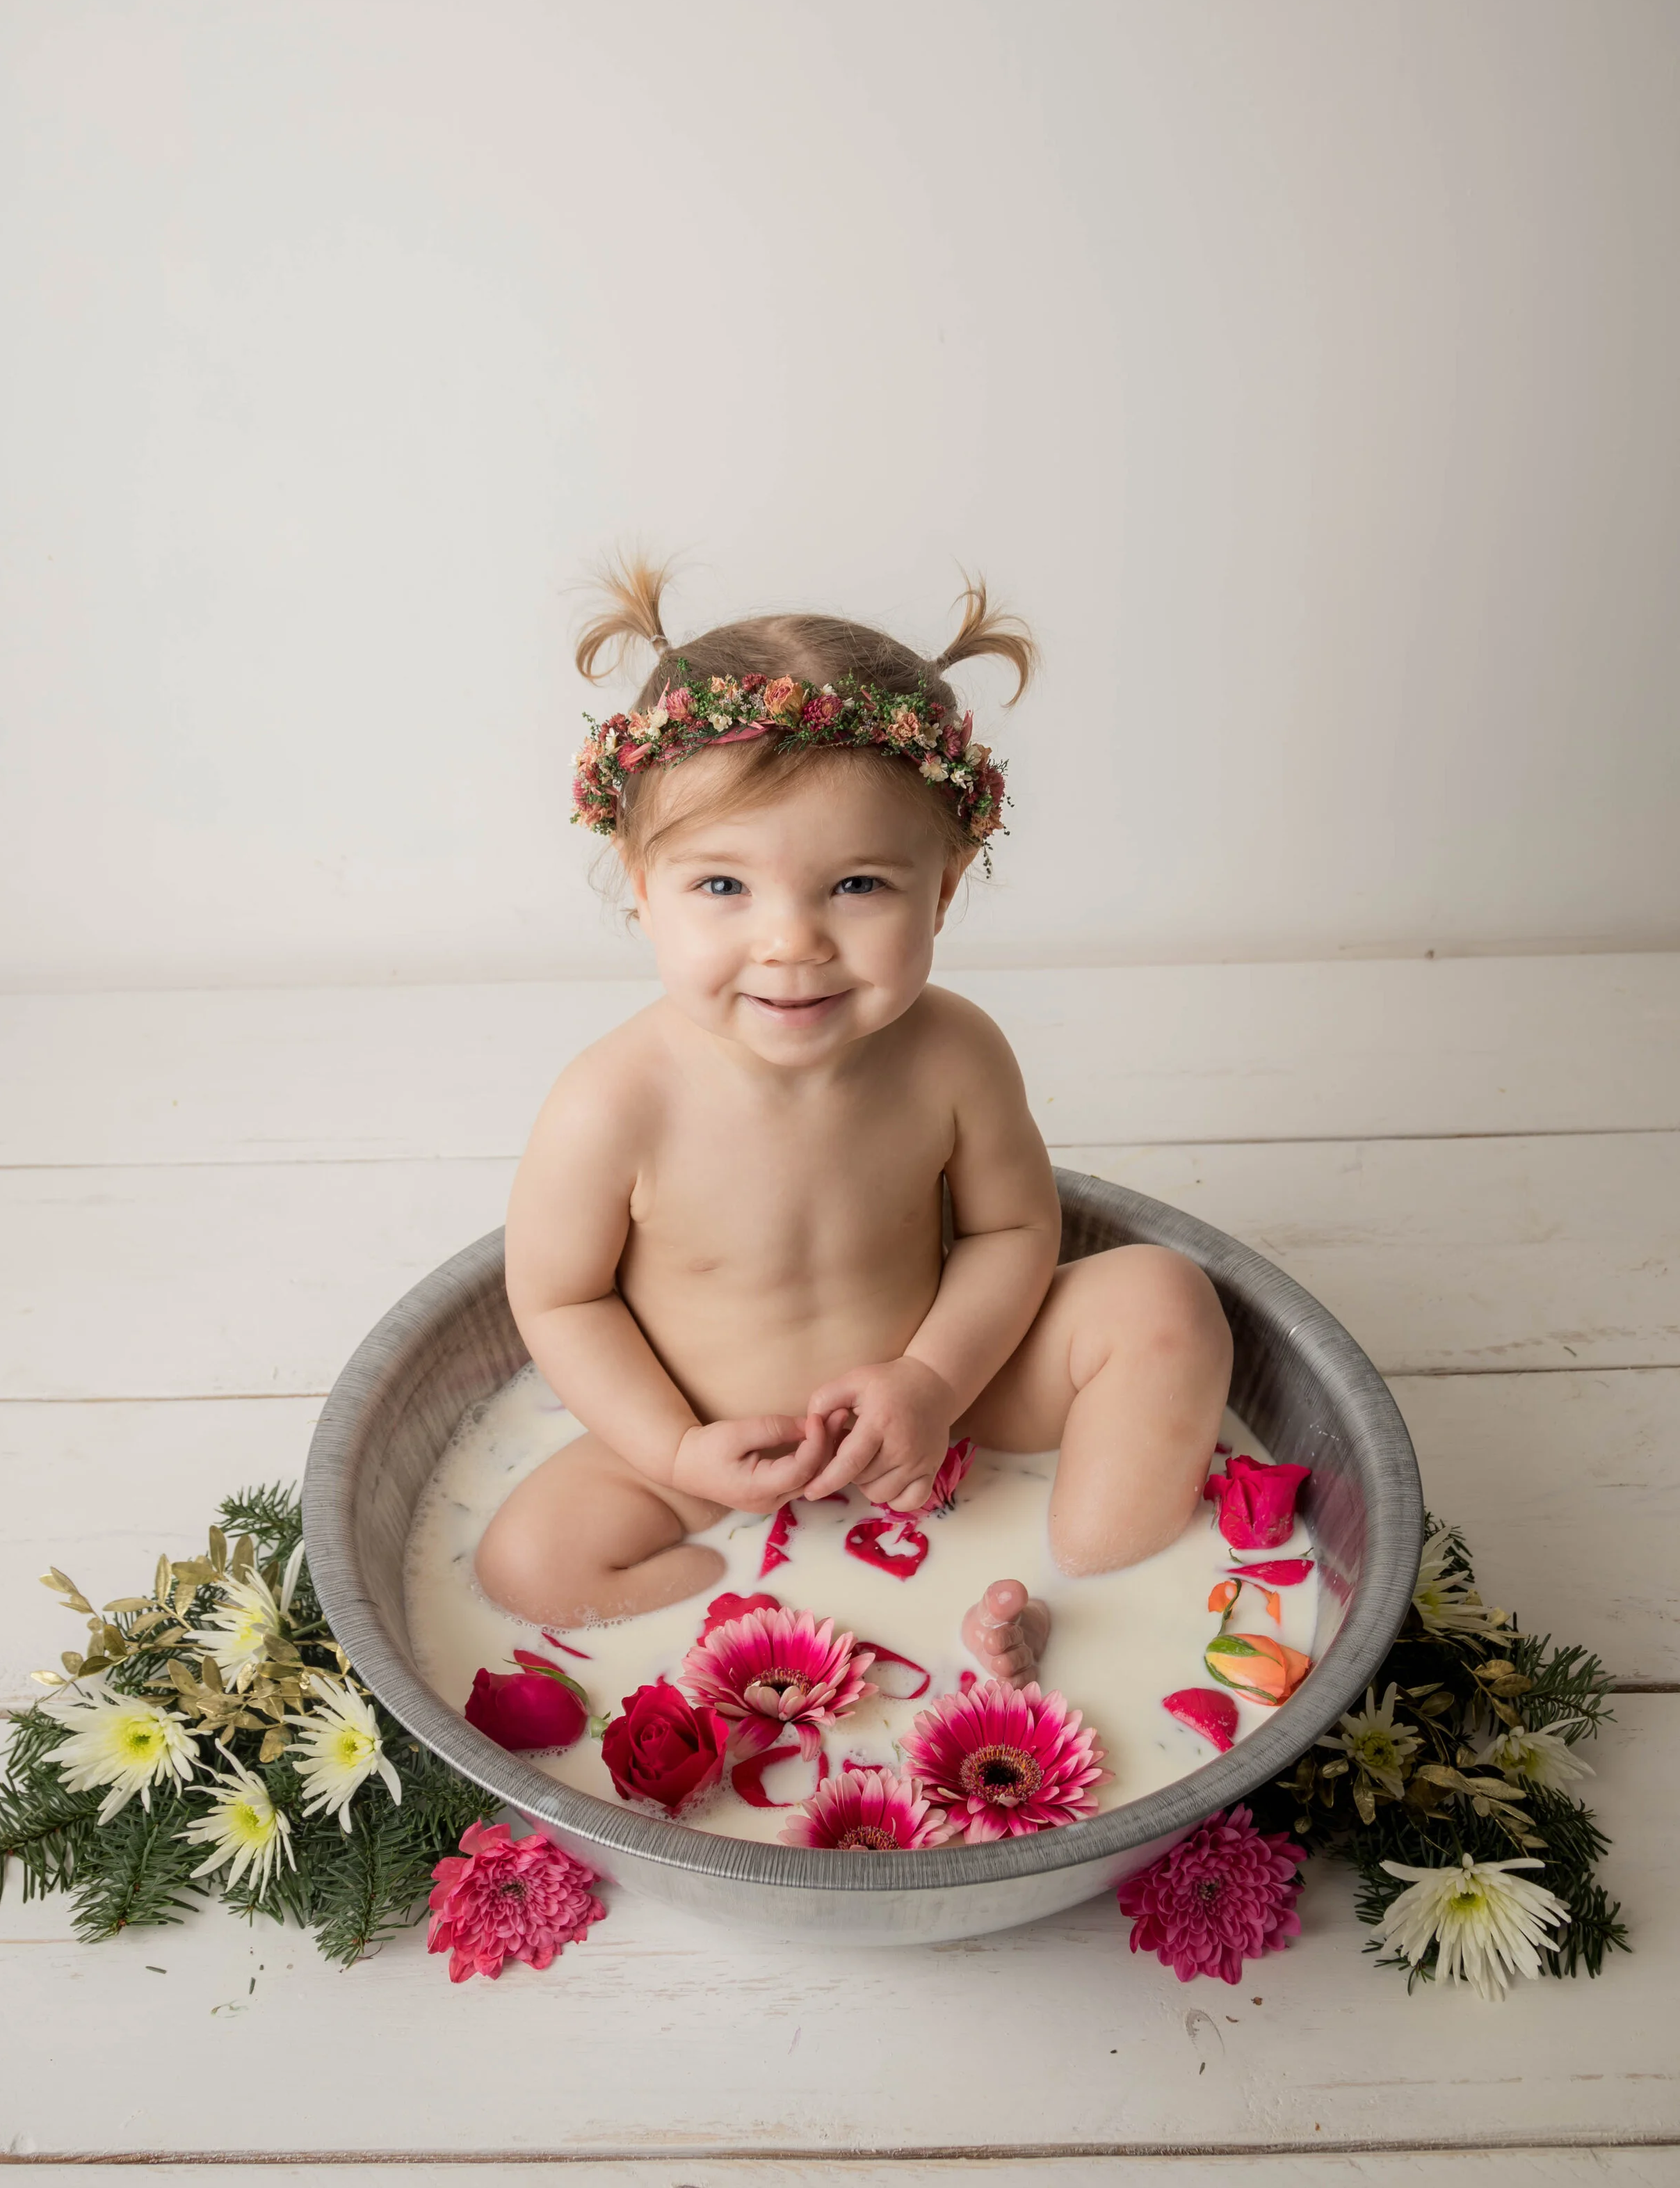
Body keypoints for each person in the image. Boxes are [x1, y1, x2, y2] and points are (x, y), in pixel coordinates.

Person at [475, 559, 1231, 1682]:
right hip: (711, 1438)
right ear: (640, 886)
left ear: (945, 887)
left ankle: (1091, 1594)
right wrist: (675, 1446)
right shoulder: (613, 1102)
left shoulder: (953, 1053)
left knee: (1161, 1301)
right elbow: (562, 1298)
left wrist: (932, 1382)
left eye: (859, 886)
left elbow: (1014, 1232)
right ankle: (751, 1616)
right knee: (529, 1564)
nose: (792, 942)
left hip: (951, 1390)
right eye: (723, 887)